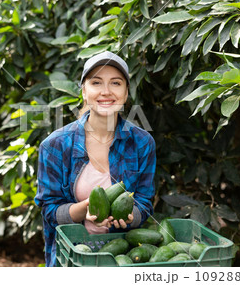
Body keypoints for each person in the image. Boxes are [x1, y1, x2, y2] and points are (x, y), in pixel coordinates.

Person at [34, 51, 156, 267]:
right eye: (96, 82)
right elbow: (49, 210)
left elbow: (145, 202)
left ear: (126, 93)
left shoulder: (142, 143)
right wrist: (84, 208)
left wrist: (131, 217)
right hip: (71, 259)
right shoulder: (55, 145)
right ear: (84, 91)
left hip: (124, 258)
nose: (106, 92)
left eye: (116, 83)